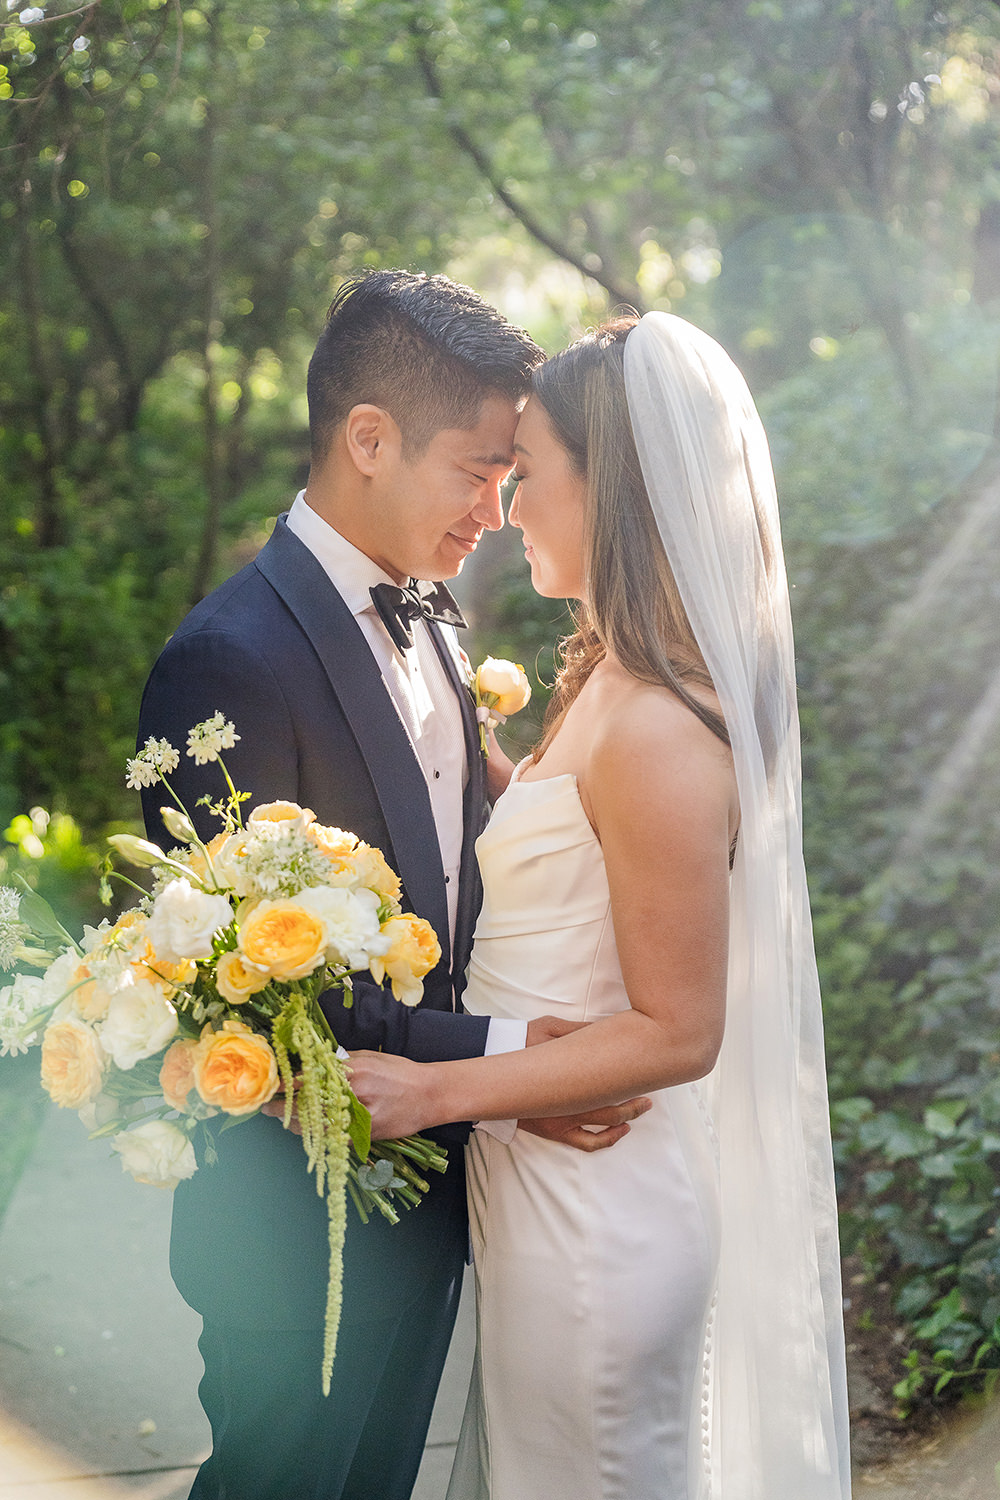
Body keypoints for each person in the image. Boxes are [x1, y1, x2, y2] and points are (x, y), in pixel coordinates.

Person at [136, 270, 647, 1500]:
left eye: (512, 474)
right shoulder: (227, 662)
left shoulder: (437, 617)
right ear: (369, 438)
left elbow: (458, 887)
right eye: (478, 468)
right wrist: (527, 1062)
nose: (497, 505)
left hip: (424, 1209)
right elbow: (279, 1009)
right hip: (295, 1235)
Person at [349, 312, 853, 1499]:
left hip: (601, 1219)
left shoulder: (663, 727)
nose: (508, 505)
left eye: (530, 474)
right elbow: (569, 877)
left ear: (610, 489)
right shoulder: (616, 684)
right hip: (550, 1194)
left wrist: (432, 1090)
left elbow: (678, 1030)